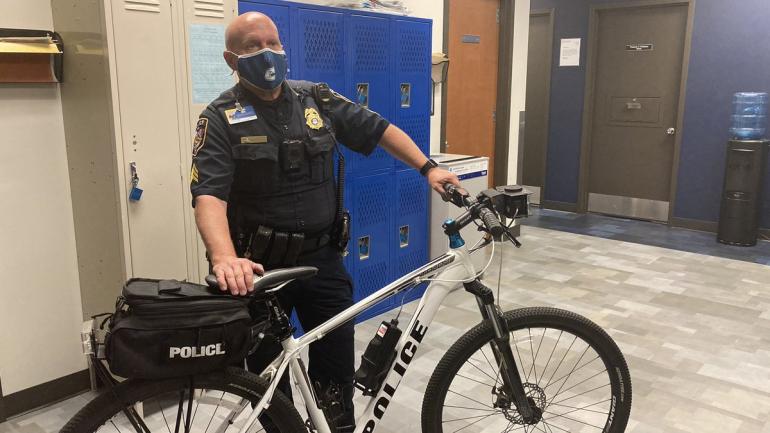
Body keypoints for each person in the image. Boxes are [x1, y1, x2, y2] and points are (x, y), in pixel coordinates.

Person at [190, 12, 460, 432]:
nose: (268, 53)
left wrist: (428, 168)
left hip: (323, 262)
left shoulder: (317, 98)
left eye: (274, 43)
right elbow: (208, 195)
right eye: (252, 46)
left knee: (334, 377)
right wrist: (225, 258)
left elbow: (380, 129)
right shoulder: (220, 117)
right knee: (268, 384)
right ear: (231, 59)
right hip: (260, 269)